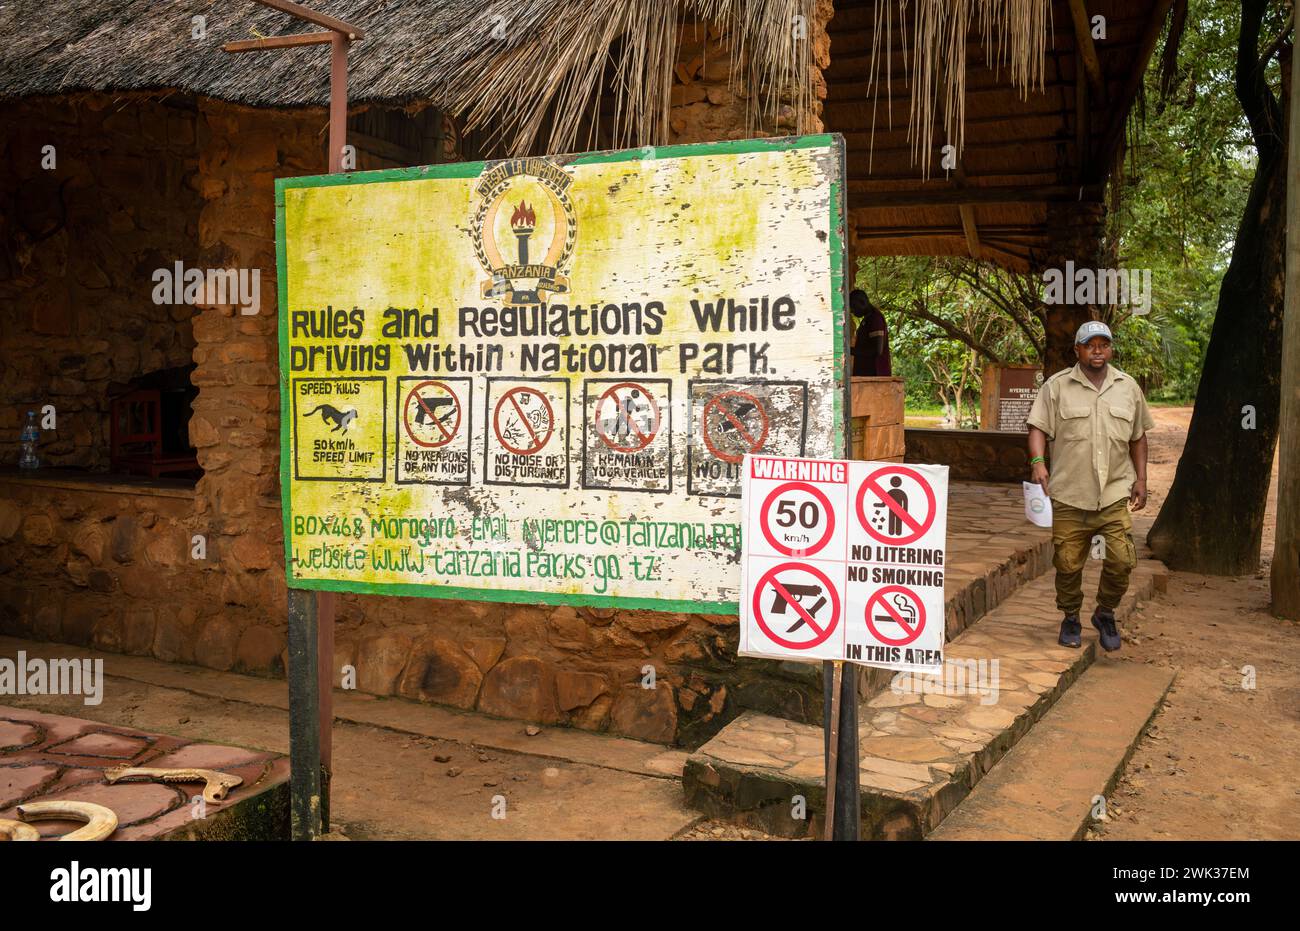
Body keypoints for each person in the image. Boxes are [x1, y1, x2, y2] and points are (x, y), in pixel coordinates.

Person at [1025, 321, 1154, 652]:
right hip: (1070, 494)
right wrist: (1038, 463)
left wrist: (1141, 479)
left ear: (1110, 349)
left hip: (1113, 494)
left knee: (1122, 560)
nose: (1098, 350)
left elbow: (1138, 437)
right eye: (1090, 345)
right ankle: (1070, 616)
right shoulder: (1056, 387)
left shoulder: (1128, 387)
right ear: (1077, 350)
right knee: (1067, 564)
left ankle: (1105, 612)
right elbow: (1038, 427)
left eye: (1103, 344)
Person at [850, 289, 891, 376]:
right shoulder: (868, 319)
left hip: (876, 374)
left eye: (853, 307)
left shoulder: (875, 318)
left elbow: (877, 350)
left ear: (863, 302)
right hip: (868, 373)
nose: (852, 311)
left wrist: (850, 351)